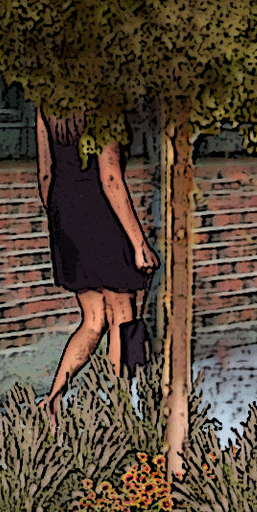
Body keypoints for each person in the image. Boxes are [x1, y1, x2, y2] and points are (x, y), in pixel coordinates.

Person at [36, 109, 157, 405]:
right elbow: (111, 178)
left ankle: (52, 400)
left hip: (64, 209)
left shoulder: (46, 103)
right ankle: (120, 409)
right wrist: (139, 244)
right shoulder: (102, 102)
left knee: (93, 319)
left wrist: (59, 217)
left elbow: (45, 172)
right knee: (122, 314)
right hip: (102, 213)